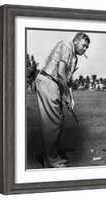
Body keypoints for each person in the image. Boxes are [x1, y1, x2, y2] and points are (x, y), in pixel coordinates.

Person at [35, 32, 90, 168]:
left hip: (54, 85)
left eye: (87, 48)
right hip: (48, 81)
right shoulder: (67, 46)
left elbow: (67, 79)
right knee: (53, 123)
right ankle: (52, 160)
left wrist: (71, 99)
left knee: (58, 121)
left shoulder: (74, 58)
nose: (84, 49)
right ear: (76, 41)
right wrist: (67, 96)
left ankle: (51, 156)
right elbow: (60, 73)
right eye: (84, 45)